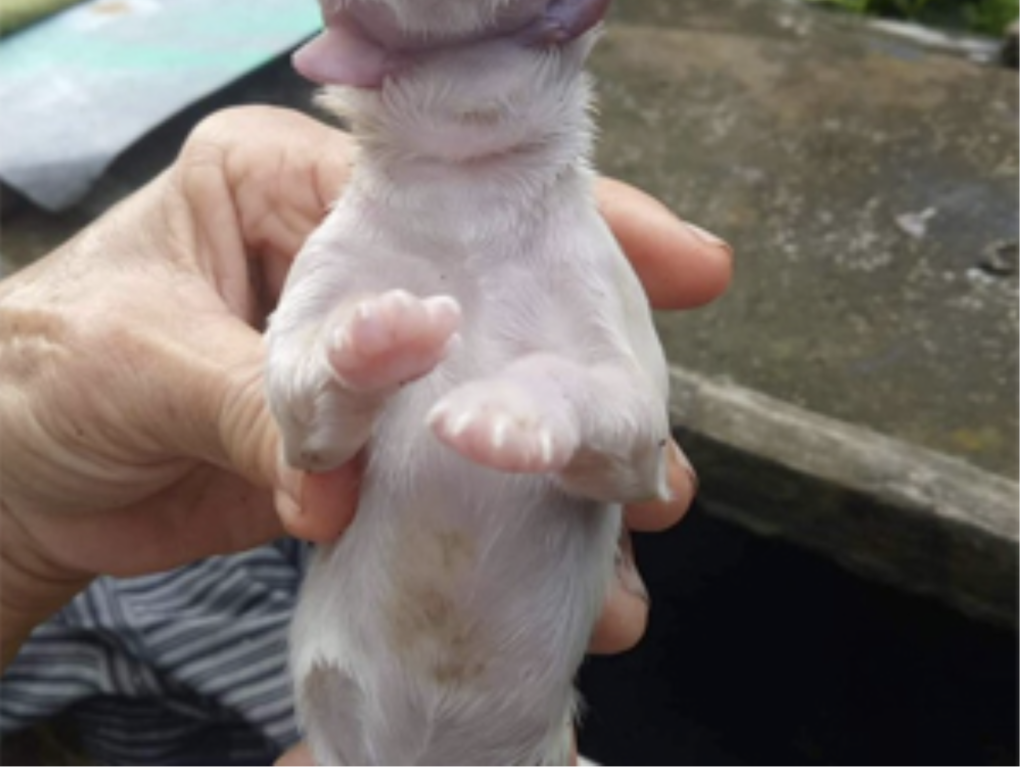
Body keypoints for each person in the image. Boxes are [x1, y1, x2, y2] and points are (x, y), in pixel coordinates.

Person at [0, 107, 732, 763]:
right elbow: (305, 428)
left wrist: (565, 408)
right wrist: (334, 377)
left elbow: (640, 462)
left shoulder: (574, 236)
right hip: (346, 710)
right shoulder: (354, 225)